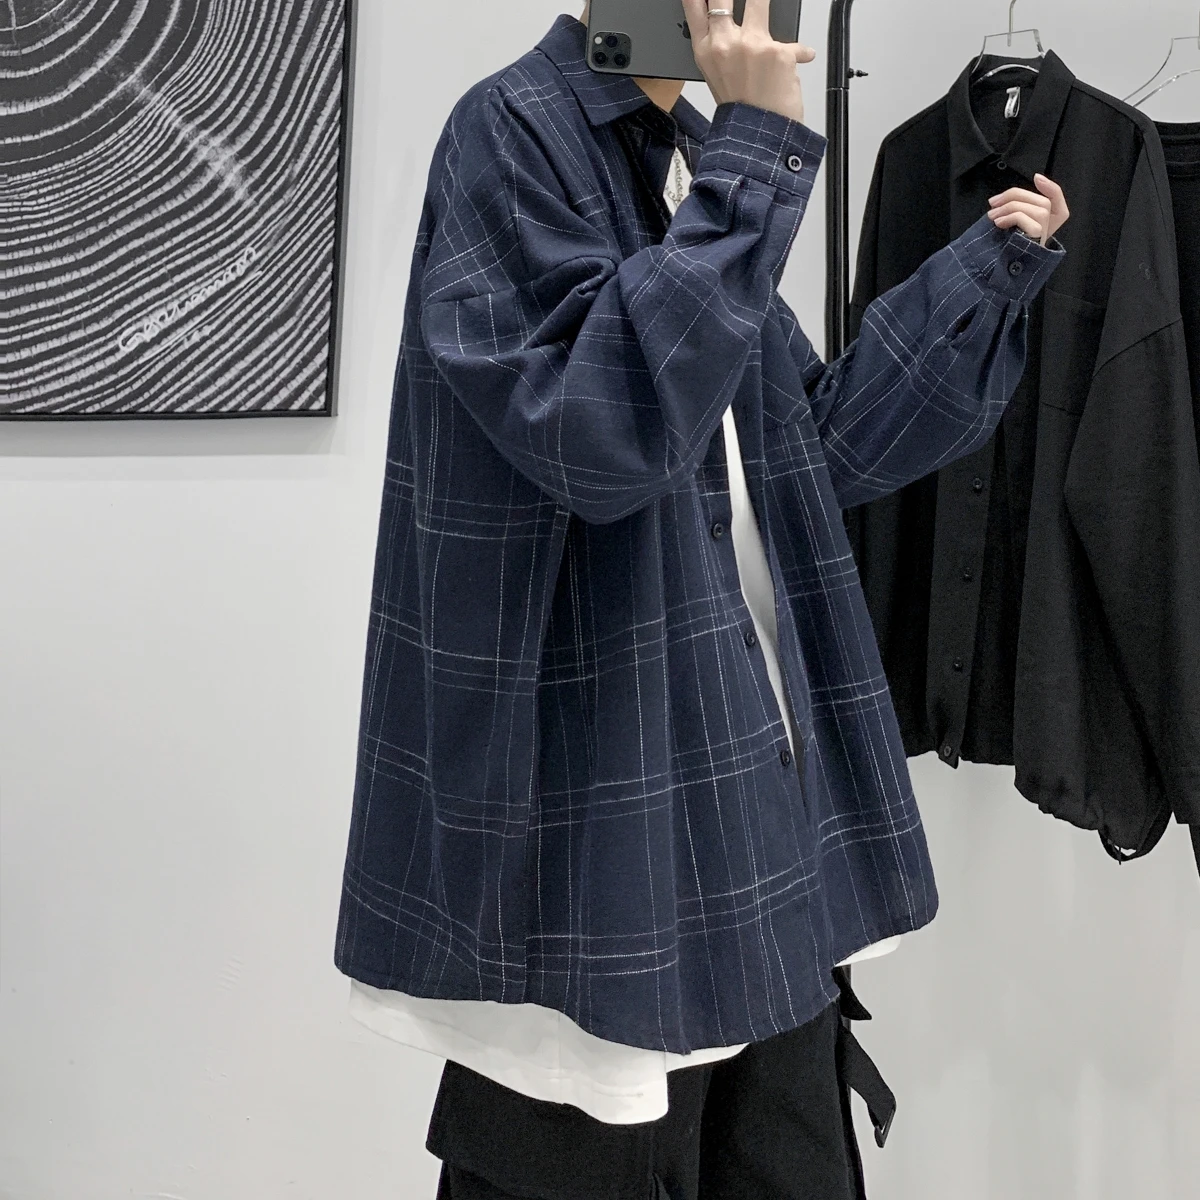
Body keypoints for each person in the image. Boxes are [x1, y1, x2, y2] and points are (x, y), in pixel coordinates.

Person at [335, 3, 1070, 1197]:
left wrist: (979, 279)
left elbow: (809, 450)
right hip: (603, 832)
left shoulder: (690, 158)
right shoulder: (512, 131)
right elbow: (599, 433)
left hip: (754, 810)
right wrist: (757, 154)